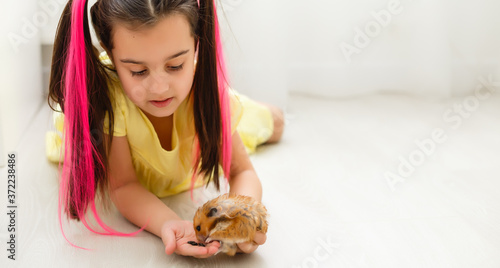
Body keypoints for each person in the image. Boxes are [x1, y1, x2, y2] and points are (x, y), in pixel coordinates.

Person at [46, 0, 283, 258]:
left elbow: (242, 169)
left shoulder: (209, 95)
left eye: (175, 66)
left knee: (277, 123)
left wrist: (241, 218)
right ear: (108, 51)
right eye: (138, 71)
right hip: (143, 125)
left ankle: (249, 108)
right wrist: (170, 223)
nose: (159, 88)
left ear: (197, 42)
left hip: (194, 114)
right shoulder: (107, 102)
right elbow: (123, 186)